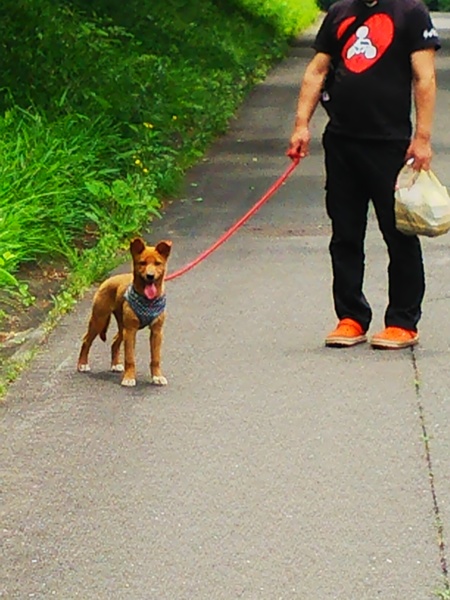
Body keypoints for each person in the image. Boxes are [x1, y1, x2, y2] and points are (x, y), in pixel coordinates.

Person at [287, 0, 440, 349]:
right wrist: (301, 125)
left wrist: (423, 138)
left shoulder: (411, 12)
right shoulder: (341, 12)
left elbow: (424, 77)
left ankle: (402, 321)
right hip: (341, 141)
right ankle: (351, 317)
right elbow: (316, 71)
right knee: (345, 234)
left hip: (390, 144)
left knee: (398, 233)